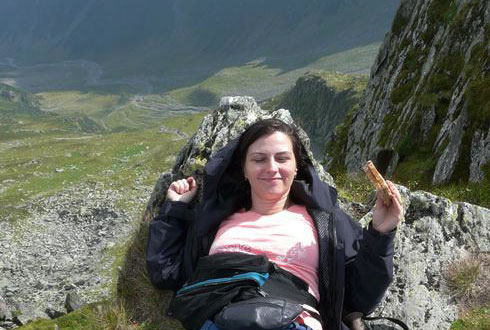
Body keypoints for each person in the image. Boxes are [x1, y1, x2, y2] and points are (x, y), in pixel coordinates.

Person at [146, 118, 403, 330]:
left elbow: (361, 297)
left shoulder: (325, 220)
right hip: (218, 319)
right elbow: (165, 272)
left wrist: (381, 231)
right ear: (244, 169)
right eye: (259, 159)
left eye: (282, 158)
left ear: (296, 167)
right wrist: (175, 209)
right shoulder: (215, 219)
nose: (272, 168)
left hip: (294, 321)